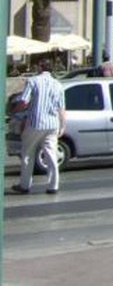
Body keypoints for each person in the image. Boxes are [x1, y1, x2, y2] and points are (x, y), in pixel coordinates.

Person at [10, 58, 66, 195]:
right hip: (52, 123)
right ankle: (53, 185)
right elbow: (62, 108)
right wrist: (62, 126)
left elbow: (24, 101)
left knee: (28, 153)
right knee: (51, 155)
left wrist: (14, 111)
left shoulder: (33, 81)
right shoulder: (58, 85)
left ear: (40, 67)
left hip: (35, 122)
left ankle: (25, 185)